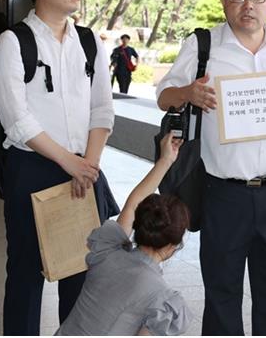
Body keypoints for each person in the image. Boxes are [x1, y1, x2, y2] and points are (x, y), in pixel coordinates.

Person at [156, 0, 266, 335]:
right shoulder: (203, 47)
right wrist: (188, 94)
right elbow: (165, 96)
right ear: (224, 1)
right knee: (222, 295)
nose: (248, 6)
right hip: (223, 194)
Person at [0, 0, 114, 335]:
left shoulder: (89, 42)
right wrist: (68, 162)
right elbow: (17, 121)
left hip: (83, 170)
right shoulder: (14, 42)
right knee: (27, 272)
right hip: (33, 169)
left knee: (81, 272)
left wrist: (87, 166)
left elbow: (102, 110)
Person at [56, 132, 192, 335]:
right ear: (174, 245)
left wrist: (166, 160)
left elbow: (132, 203)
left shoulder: (107, 251)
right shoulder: (160, 297)